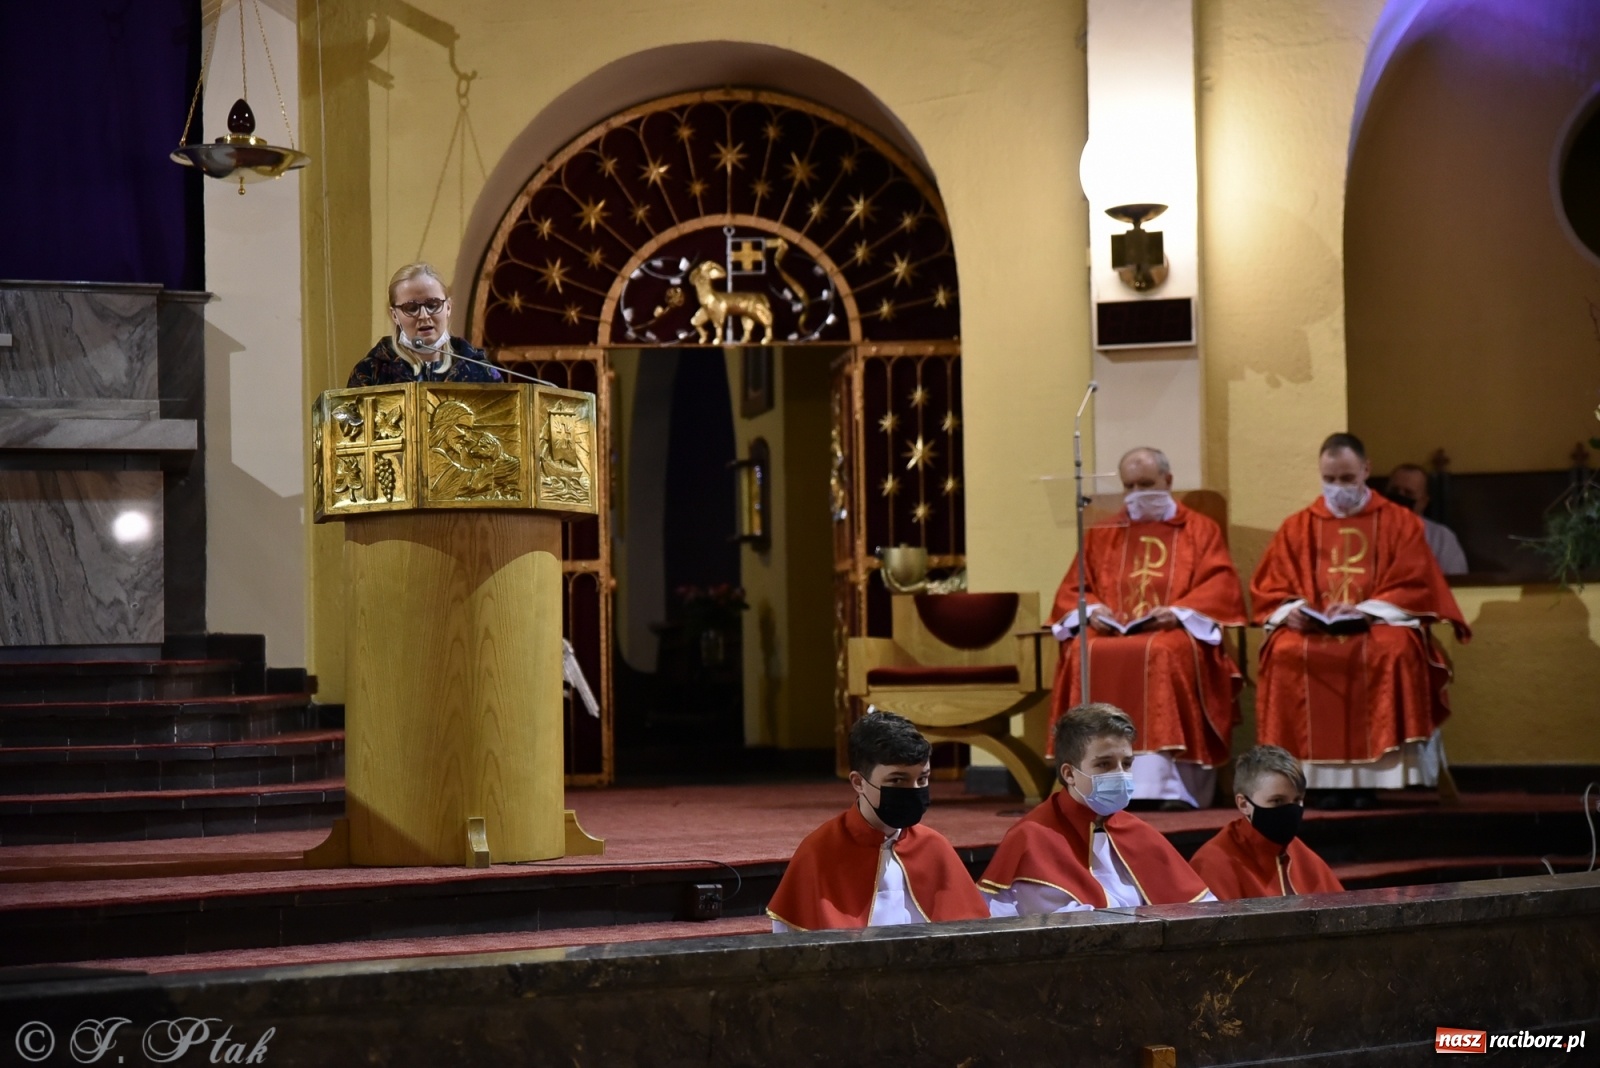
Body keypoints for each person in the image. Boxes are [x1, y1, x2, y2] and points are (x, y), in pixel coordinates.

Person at [1252, 433, 1470, 808]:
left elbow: (1416, 583)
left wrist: (1366, 610)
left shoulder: (1399, 522)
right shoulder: (1298, 527)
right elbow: (1270, 588)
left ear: (1366, 471)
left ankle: (1371, 781)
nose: (1338, 489)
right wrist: (1293, 611)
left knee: (1396, 649)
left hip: (1376, 624)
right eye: (1330, 479)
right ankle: (1311, 781)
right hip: (1315, 629)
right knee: (1285, 650)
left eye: (1347, 479)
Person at [1047, 447, 1246, 809]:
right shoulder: (1104, 532)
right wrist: (1093, 609)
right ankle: (1090, 779)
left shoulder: (1199, 529)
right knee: (1082, 650)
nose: (1138, 492)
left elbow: (1220, 586)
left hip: (1172, 632)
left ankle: (1168, 787)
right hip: (1115, 631)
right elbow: (1076, 586)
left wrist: (1179, 612)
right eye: (1130, 485)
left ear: (1168, 481)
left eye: (1147, 484)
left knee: (1162, 651)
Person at [980, 704, 1214, 914]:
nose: (1120, 774)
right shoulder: (1033, 838)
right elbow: (1060, 925)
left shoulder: (1138, 833)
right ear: (1069, 774)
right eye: (1104, 764)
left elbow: (1203, 908)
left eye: (1127, 764)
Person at [766, 711, 989, 932]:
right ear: (858, 783)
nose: (914, 790)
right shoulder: (819, 852)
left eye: (922, 779)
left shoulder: (935, 847)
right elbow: (791, 947)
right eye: (897, 780)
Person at [1188, 745, 1344, 899]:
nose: (1290, 810)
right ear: (1243, 804)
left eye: (1297, 800)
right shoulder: (1213, 863)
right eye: (1277, 801)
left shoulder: (1300, 853)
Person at [347, 262, 504, 386]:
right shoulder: (371, 372)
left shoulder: (480, 371)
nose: (423, 315)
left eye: (433, 305)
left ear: (448, 307)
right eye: (411, 308)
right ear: (395, 315)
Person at [1384, 463, 1468, 575]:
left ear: (1423, 502)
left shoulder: (1442, 538)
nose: (1400, 497)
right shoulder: (1369, 530)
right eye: (1394, 491)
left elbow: (1457, 582)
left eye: (1408, 493)